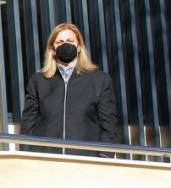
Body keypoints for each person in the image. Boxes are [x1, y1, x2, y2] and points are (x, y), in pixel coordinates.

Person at [20, 22, 120, 154]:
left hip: (85, 159)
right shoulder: (38, 81)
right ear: (52, 49)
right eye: (60, 42)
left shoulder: (99, 80)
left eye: (70, 40)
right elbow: (28, 123)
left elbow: (109, 125)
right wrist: (27, 155)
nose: (65, 44)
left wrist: (104, 156)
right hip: (46, 159)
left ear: (79, 47)